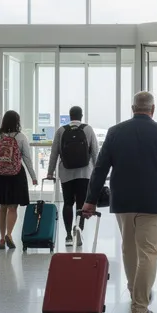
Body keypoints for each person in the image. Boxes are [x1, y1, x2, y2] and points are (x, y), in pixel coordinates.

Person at [83, 91, 157, 313]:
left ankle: (136, 291)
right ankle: (139, 306)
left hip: (123, 201)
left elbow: (100, 169)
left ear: (133, 108)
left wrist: (91, 200)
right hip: (153, 202)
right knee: (149, 253)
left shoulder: (115, 132)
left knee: (129, 250)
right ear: (153, 109)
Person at [46, 106, 99, 247]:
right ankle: (79, 231)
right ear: (81, 116)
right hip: (85, 172)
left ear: (70, 116)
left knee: (68, 203)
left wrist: (50, 172)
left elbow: (54, 153)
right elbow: (95, 152)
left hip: (66, 172)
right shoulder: (88, 129)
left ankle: (68, 236)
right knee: (81, 204)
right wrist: (98, 172)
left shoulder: (61, 131)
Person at [0, 110, 38, 250]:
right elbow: (27, 158)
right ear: (17, 122)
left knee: (2, 207)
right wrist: (33, 176)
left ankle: (2, 238)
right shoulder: (21, 137)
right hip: (16, 175)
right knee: (13, 207)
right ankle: (10, 234)